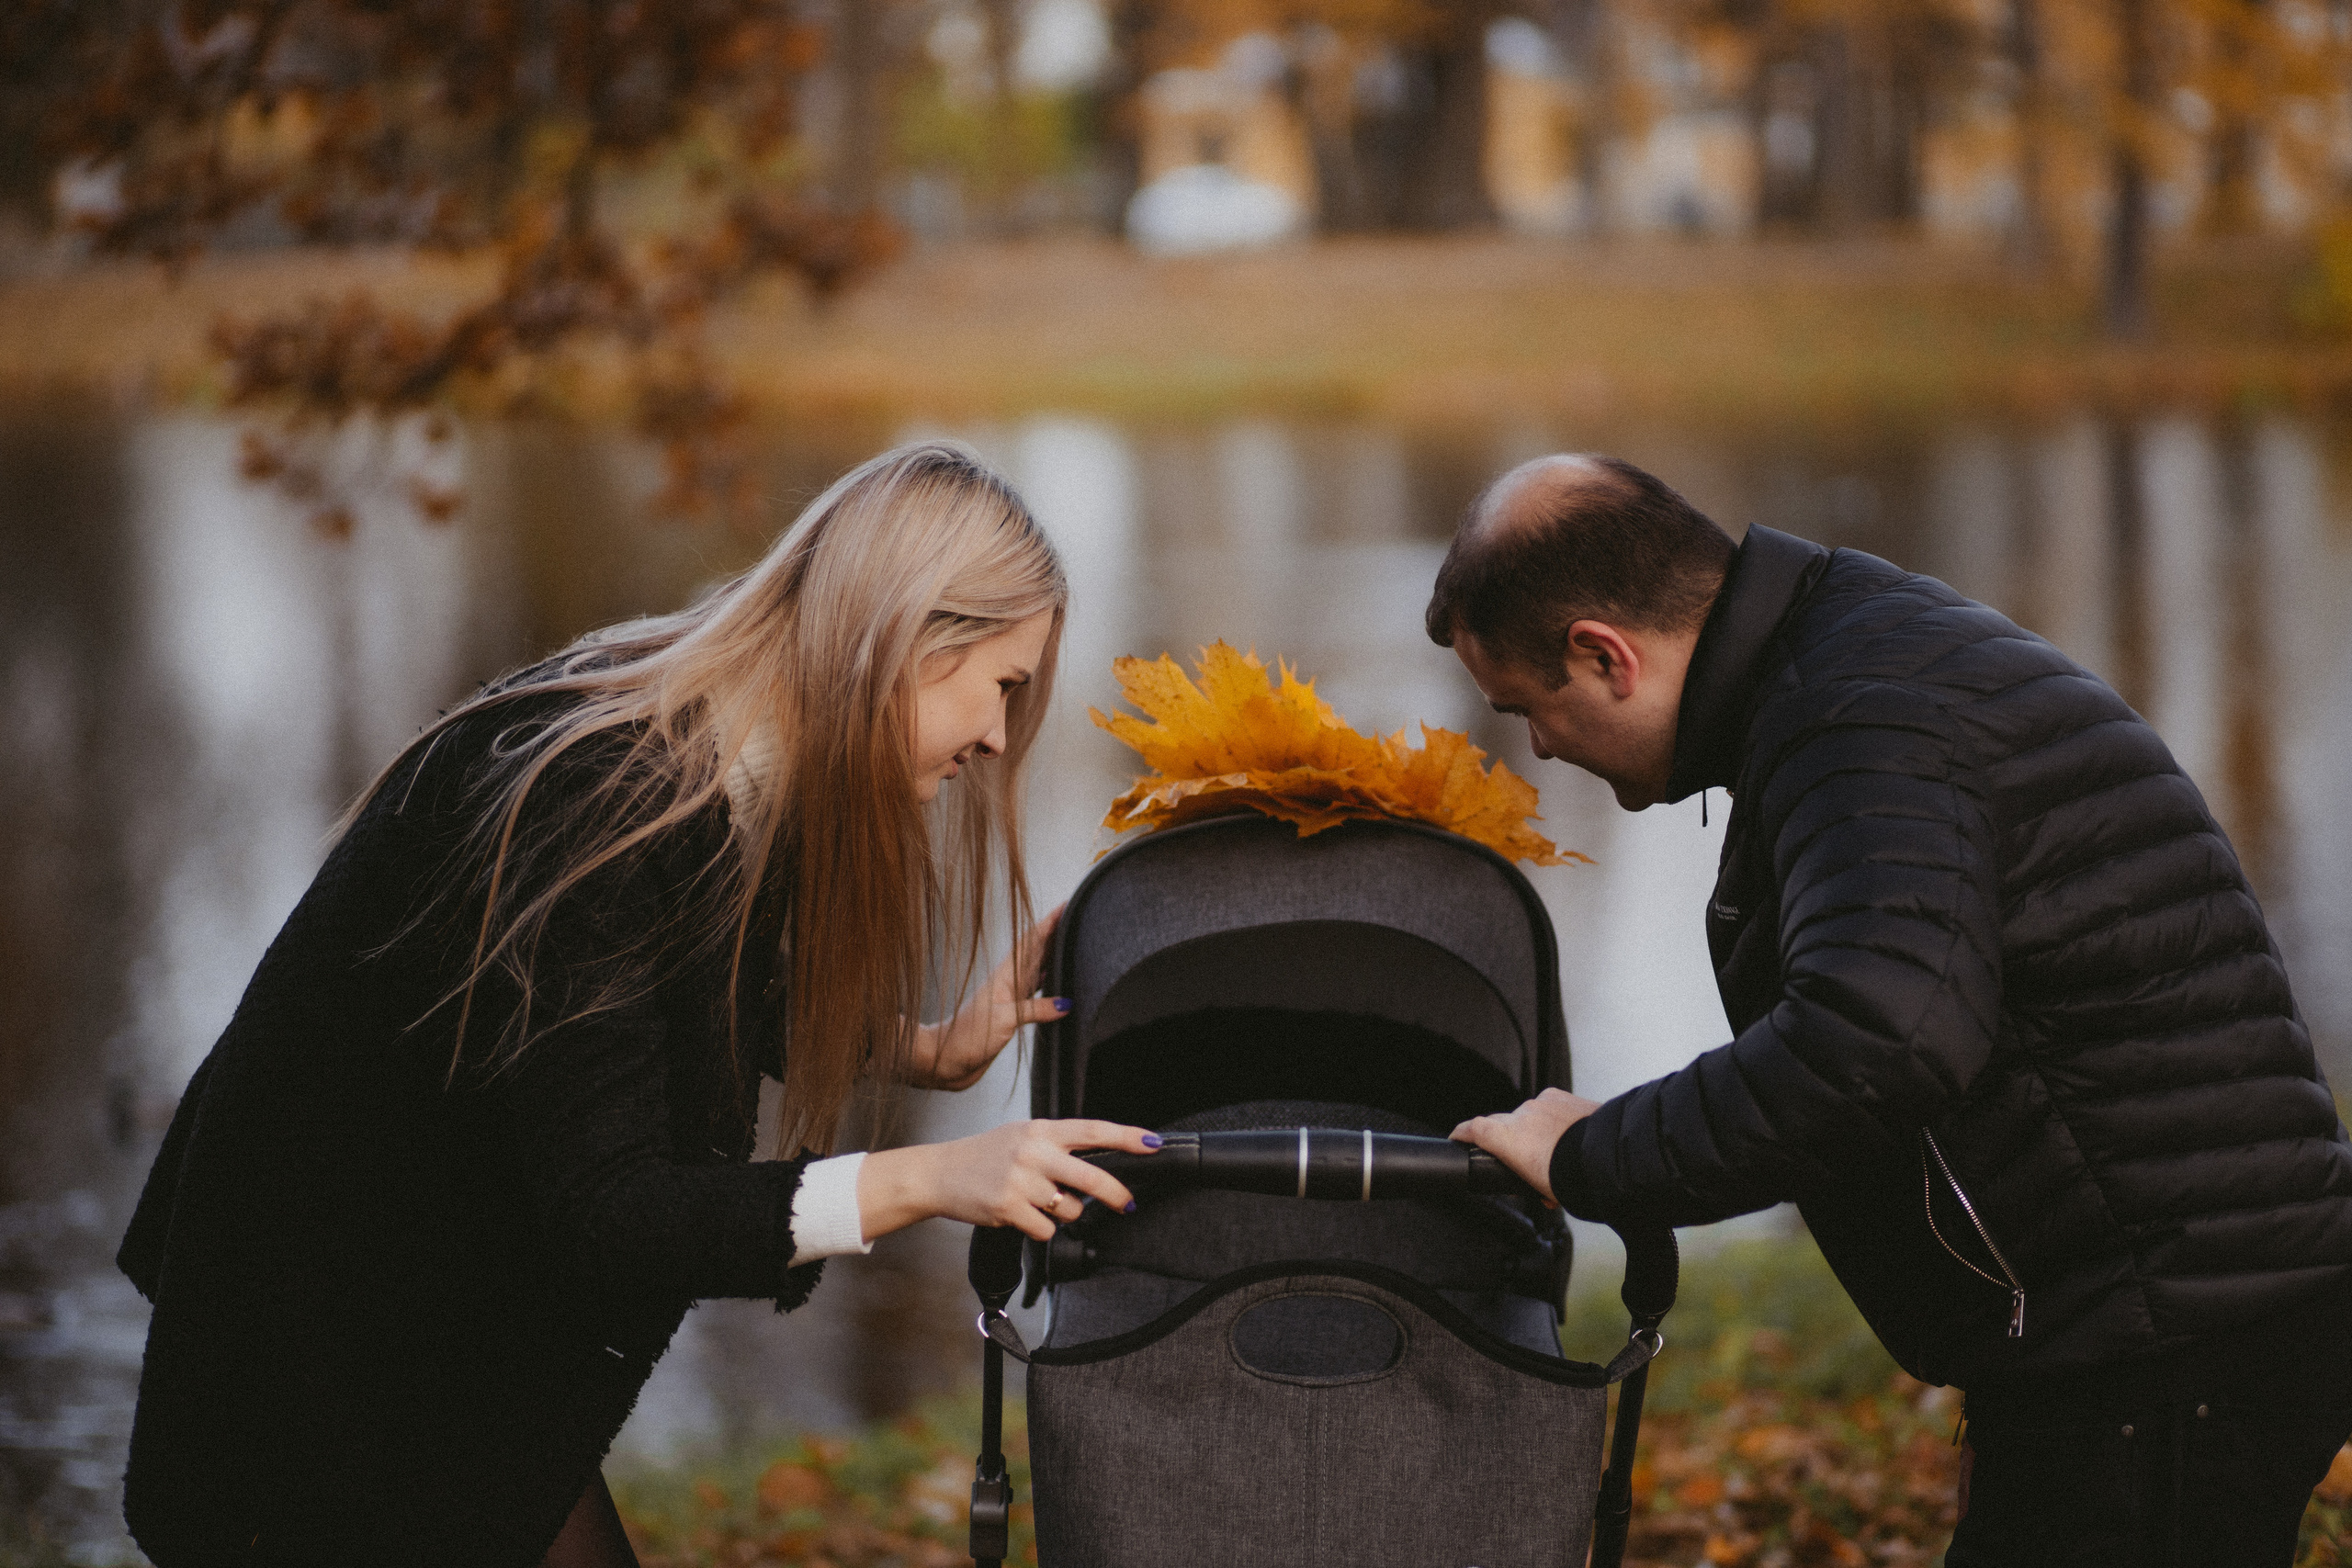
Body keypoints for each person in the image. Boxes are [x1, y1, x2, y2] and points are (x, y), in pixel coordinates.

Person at [115, 441, 1157, 1568]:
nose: (1001, 737)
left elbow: (666, 991)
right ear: (911, 639)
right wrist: (933, 1177)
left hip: (423, 1340)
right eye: (1001, 686)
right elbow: (615, 1218)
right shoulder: (603, 794)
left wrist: (924, 1049)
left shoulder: (713, 747)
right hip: (315, 1366)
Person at [1439, 454, 2352, 1565]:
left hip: (2167, 1349)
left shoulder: (1854, 716)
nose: (1540, 748)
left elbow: (1878, 1042)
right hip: (2145, 1336)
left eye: (1533, 710)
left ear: (1604, 653)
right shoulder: (1843, 658)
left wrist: (1596, 1154)